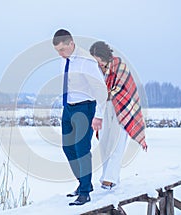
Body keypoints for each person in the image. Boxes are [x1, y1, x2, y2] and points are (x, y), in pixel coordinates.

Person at [52, 30, 107, 206]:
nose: (60, 54)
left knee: (81, 149)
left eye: (62, 49)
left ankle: (84, 193)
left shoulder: (86, 62)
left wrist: (98, 116)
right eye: (57, 51)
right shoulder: (65, 60)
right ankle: (84, 183)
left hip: (85, 108)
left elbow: (101, 91)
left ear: (71, 43)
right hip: (68, 108)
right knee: (68, 147)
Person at [89, 41, 148, 190]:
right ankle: (109, 177)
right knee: (104, 143)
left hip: (121, 108)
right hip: (104, 108)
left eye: (98, 60)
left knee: (117, 143)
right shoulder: (96, 70)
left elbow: (124, 89)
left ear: (105, 57)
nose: (97, 64)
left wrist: (105, 93)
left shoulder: (119, 65)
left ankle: (109, 180)